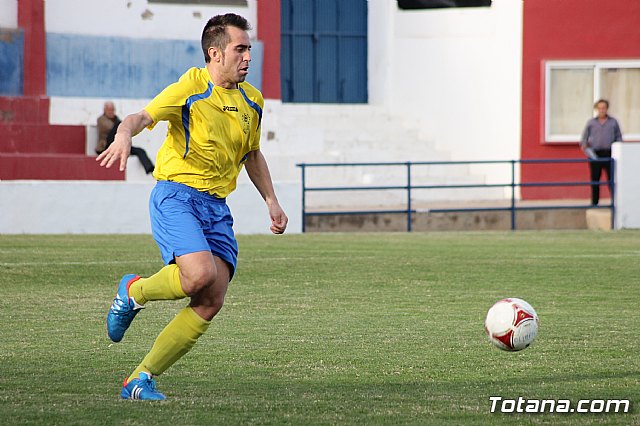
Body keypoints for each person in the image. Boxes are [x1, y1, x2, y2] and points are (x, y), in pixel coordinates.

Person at [96, 13, 288, 400]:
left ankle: (139, 378)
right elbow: (139, 118)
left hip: (217, 207)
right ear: (215, 53)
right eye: (240, 48)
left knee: (211, 299)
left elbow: (252, 153)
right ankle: (135, 292)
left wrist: (271, 200)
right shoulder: (190, 87)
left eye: (249, 48)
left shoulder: (253, 100)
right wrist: (121, 135)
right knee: (199, 276)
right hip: (177, 196)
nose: (248, 56)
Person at [580, 99, 622, 206]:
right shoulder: (591, 123)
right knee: (595, 180)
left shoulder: (613, 122)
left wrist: (618, 148)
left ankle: (615, 203)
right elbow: (584, 138)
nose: (602, 110)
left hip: (609, 154)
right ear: (596, 109)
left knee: (611, 179)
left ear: (607, 109)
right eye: (600, 108)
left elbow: (619, 137)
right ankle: (594, 203)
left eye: (604, 108)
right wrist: (585, 147)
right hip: (595, 154)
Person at [96, 101, 155, 175]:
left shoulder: (117, 120)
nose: (111, 112)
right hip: (106, 146)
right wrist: (124, 126)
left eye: (112, 110)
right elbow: (111, 128)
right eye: (109, 110)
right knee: (119, 125)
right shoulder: (101, 120)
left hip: (119, 144)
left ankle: (150, 169)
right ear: (105, 110)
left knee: (140, 151)